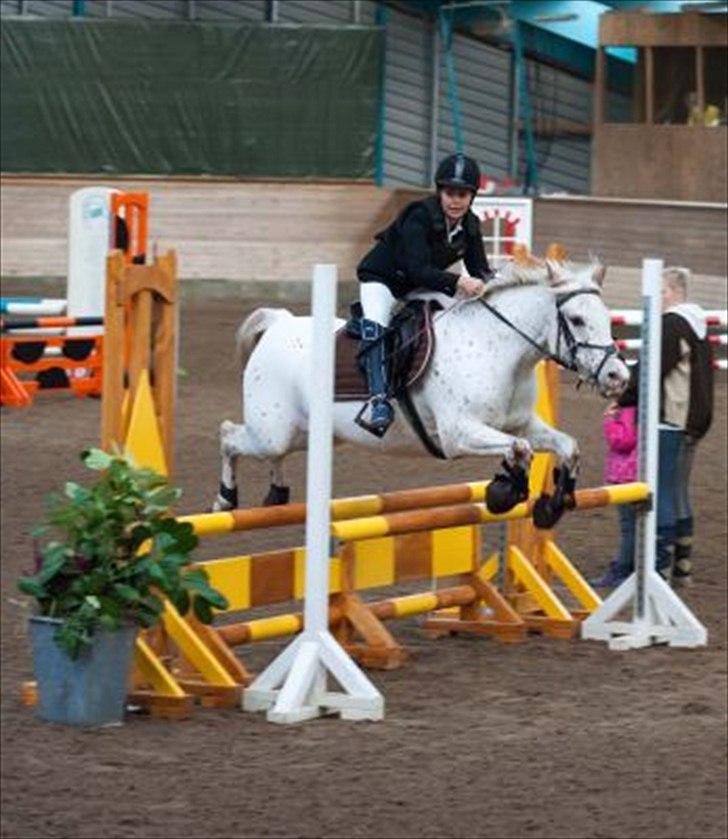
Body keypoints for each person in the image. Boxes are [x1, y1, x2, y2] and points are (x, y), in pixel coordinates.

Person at [355, 152, 493, 436]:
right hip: (383, 278)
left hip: (420, 284)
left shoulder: (470, 225)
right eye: (450, 193)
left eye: (463, 194)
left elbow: (481, 270)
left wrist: (497, 285)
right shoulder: (418, 216)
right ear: (440, 192)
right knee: (378, 325)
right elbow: (418, 269)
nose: (456, 201)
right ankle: (378, 400)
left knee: (459, 314)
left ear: (472, 196)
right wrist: (459, 281)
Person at [656, 266, 714, 585]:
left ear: (675, 292)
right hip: (697, 417)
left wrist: (624, 396)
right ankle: (683, 565)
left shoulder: (674, 323)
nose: (658, 298)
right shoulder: (699, 324)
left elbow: (657, 368)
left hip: (675, 416)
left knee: (665, 490)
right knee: (679, 491)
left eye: (661, 291)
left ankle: (662, 567)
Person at [591, 370, 639, 589]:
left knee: (628, 525)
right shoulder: (642, 409)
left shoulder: (627, 410)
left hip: (625, 475)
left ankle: (622, 569)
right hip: (633, 472)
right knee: (634, 525)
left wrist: (610, 420)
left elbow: (623, 441)